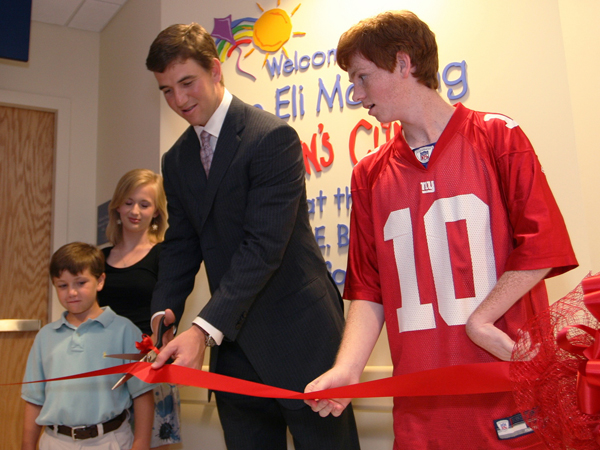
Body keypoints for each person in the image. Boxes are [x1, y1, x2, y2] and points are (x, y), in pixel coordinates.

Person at [304, 10, 578, 450]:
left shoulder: (498, 137)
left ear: (403, 63)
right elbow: (370, 287)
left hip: (508, 389)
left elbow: (541, 246)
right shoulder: (369, 174)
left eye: (361, 77)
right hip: (421, 406)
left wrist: (483, 318)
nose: (356, 95)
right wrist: (348, 369)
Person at [144, 23, 360, 450]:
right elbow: (182, 246)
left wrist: (202, 331)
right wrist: (163, 315)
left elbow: (262, 249)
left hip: (302, 341)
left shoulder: (271, 137)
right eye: (166, 90)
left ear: (215, 69)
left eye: (187, 83)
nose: (179, 100)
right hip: (235, 352)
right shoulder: (176, 159)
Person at [21, 242, 154, 450]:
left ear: (100, 281)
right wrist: (27, 446)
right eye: (62, 285)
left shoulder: (125, 331)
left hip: (111, 440)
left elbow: (142, 394)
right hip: (55, 441)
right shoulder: (45, 337)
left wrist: (141, 444)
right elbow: (34, 399)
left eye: (80, 283)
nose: (71, 292)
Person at [98, 168, 181, 448]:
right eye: (128, 202)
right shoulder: (98, 258)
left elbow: (171, 311)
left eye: (144, 204)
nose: (135, 211)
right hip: (104, 366)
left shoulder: (165, 255)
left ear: (156, 212)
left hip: (151, 367)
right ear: (117, 206)